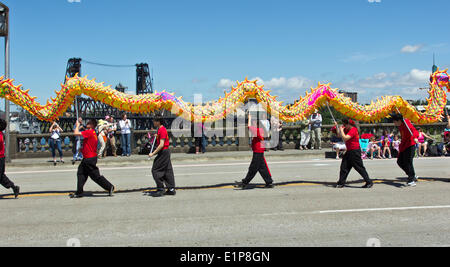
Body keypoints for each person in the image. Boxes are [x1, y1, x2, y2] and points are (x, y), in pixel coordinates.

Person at [70, 118, 115, 198]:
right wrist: (82, 150)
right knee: (81, 173)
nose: (87, 124)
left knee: (95, 176)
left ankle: (109, 187)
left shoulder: (90, 132)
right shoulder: (93, 133)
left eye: (88, 123)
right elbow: (89, 145)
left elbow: (76, 133)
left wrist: (77, 126)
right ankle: (79, 191)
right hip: (88, 157)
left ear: (91, 125)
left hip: (89, 159)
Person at [235, 113, 274, 189]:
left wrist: (249, 118)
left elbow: (249, 127)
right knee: (262, 168)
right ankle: (269, 181)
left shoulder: (258, 130)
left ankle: (245, 182)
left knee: (253, 168)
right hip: (259, 150)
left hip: (258, 151)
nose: (253, 123)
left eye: (254, 122)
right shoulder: (261, 130)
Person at [335, 118, 373, 188]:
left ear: (349, 124)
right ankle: (341, 182)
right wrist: (338, 127)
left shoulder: (353, 130)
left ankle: (368, 181)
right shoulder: (347, 129)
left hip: (354, 151)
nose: (344, 125)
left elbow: (345, 138)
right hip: (349, 150)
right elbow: (339, 135)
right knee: (344, 167)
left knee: (359, 167)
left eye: (345, 124)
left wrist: (341, 130)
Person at [149, 116, 176, 197]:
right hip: (165, 152)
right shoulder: (160, 129)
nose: (153, 122)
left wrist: (153, 153)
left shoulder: (162, 130)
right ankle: (171, 188)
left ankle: (161, 188)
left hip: (164, 151)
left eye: (154, 121)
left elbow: (161, 145)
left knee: (155, 169)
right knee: (168, 170)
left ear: (158, 122)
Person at [391, 113, 419, 187]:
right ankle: (412, 175)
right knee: (400, 161)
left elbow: (415, 131)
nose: (394, 123)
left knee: (408, 162)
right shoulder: (400, 125)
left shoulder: (406, 123)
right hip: (404, 145)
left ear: (399, 120)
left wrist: (415, 137)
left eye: (394, 121)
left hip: (410, 144)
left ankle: (411, 180)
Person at [0, 119, 20, 199]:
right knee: (1, 176)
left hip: (0, 158)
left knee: (1, 176)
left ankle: (14, 187)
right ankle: (14, 187)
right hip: (1, 158)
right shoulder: (1, 134)